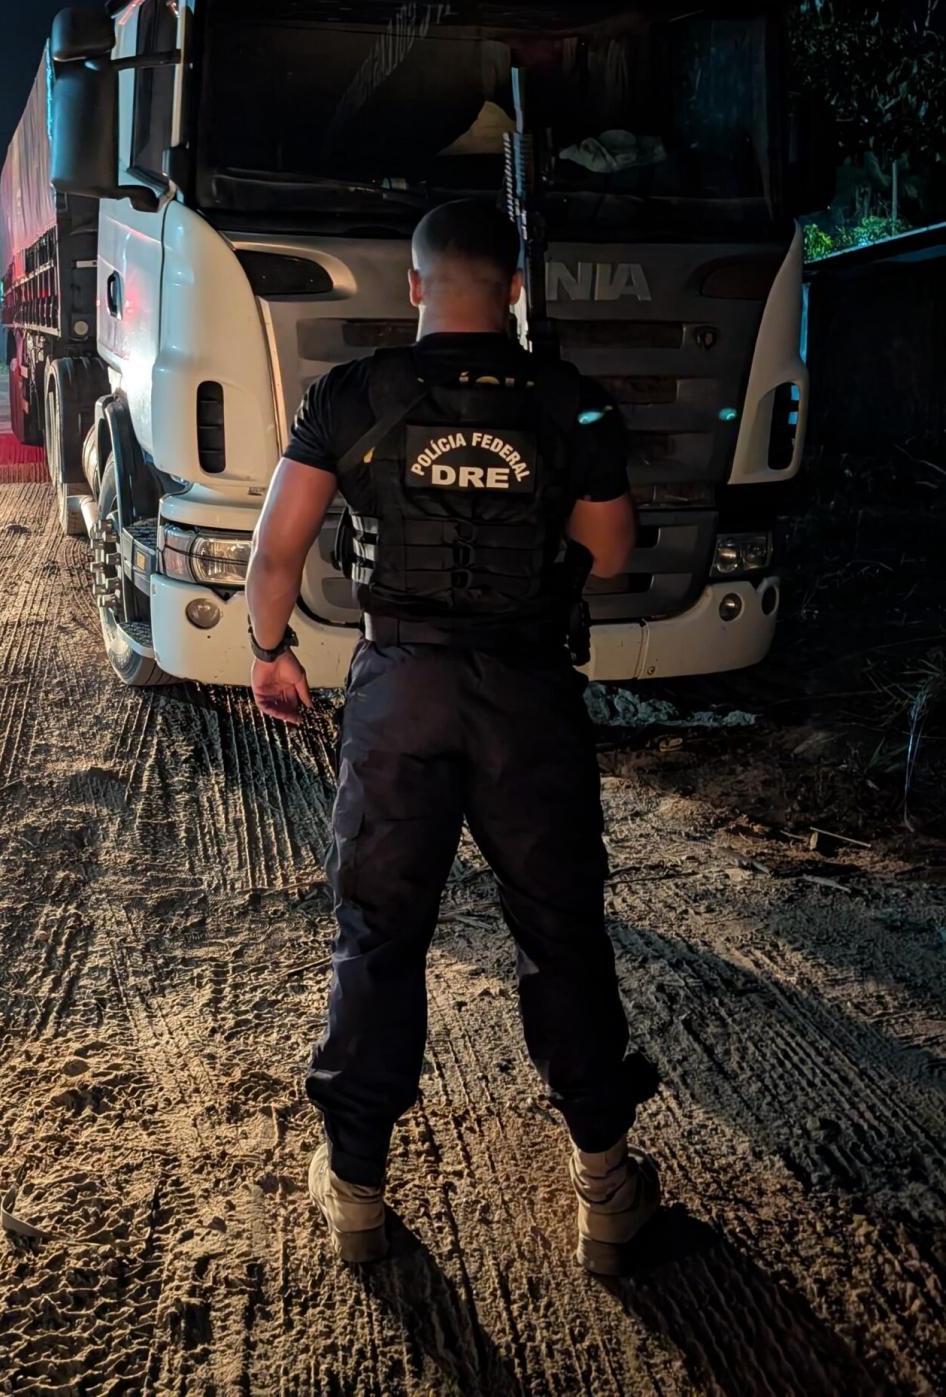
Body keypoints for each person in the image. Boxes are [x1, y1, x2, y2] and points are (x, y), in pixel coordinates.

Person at [243, 200, 660, 1273]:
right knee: (559, 929)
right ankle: (607, 1187)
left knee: (379, 932)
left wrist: (271, 649)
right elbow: (609, 554)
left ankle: (356, 1189)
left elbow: (274, 553)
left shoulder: (353, 393)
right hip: (526, 695)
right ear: (513, 287)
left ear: (416, 285)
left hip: (399, 694)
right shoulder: (570, 401)